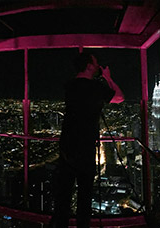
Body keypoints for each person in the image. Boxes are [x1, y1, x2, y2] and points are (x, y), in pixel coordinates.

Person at [49, 52, 123, 228]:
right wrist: (107, 77)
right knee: (84, 196)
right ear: (89, 66)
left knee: (64, 196)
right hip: (86, 147)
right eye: (95, 63)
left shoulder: (70, 86)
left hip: (67, 145)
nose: (98, 66)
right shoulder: (95, 87)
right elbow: (119, 97)